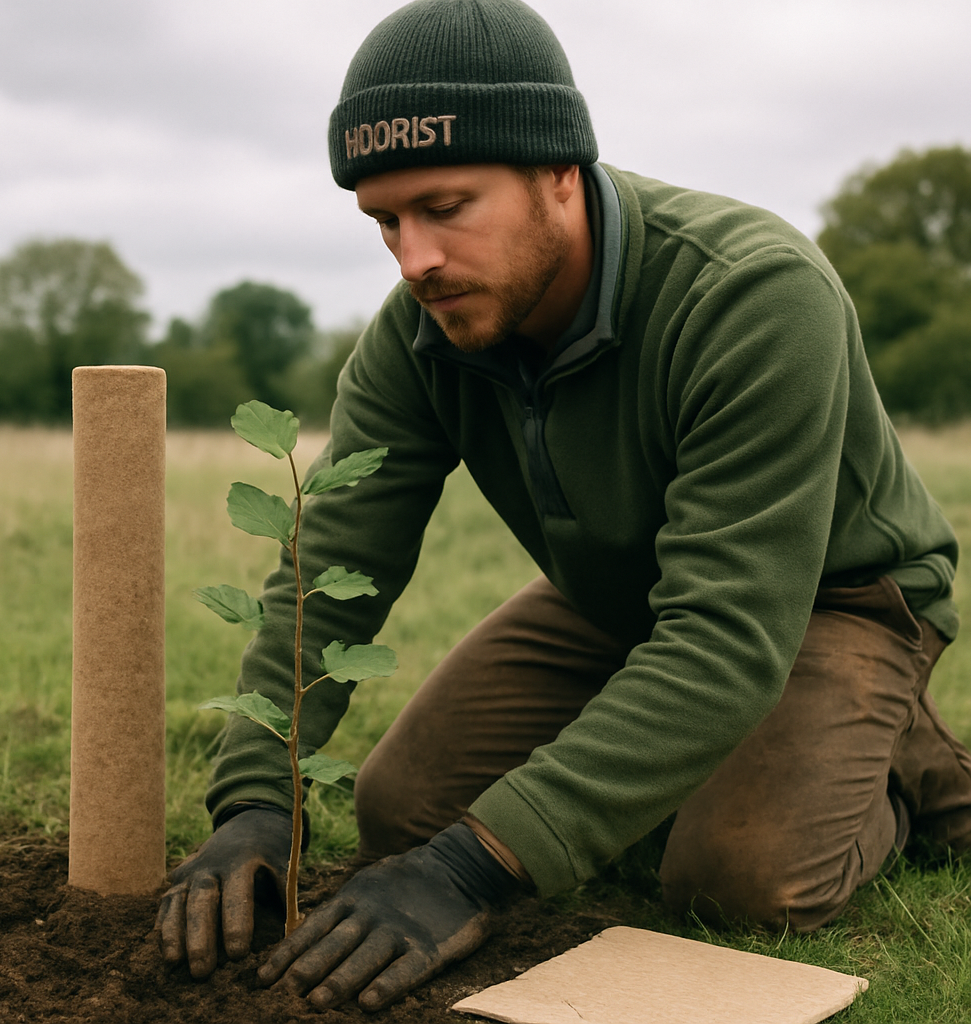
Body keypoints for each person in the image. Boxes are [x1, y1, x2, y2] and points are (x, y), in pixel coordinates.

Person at [155, 0, 971, 1011]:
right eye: (384, 222)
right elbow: (328, 570)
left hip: (828, 597)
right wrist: (255, 799)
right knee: (404, 810)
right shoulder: (423, 332)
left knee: (737, 878)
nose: (414, 261)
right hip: (614, 595)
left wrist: (473, 870)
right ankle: (692, 761)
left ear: (558, 172)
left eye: (445, 206)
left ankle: (900, 767)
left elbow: (722, 633)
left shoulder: (751, 294)